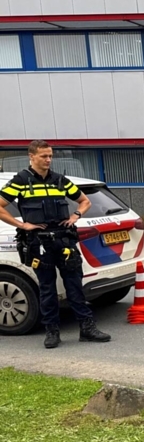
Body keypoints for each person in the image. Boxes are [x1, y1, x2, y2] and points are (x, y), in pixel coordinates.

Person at [0, 140, 111, 348]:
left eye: (50, 156)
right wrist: (21, 225)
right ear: (31, 157)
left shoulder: (60, 180)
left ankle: (87, 329)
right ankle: (52, 332)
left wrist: (76, 215)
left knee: (75, 286)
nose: (48, 160)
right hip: (39, 244)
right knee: (47, 289)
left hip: (64, 240)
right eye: (44, 156)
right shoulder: (21, 181)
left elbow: (85, 201)